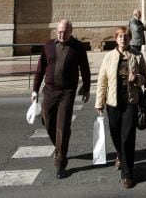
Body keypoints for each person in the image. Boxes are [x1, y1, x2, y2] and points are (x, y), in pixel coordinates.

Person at [32, 18, 91, 179]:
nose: (61, 34)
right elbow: (40, 69)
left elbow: (85, 68)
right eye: (59, 31)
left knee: (62, 127)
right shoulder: (48, 46)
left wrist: (86, 88)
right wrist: (35, 90)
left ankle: (60, 163)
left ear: (71, 31)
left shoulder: (78, 47)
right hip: (49, 90)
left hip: (67, 92)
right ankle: (60, 147)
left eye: (65, 32)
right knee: (47, 121)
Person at [95, 27, 146, 190]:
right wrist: (99, 102)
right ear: (116, 39)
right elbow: (102, 80)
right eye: (120, 36)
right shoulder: (109, 57)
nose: (123, 39)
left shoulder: (137, 55)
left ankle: (127, 174)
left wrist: (137, 78)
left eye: (126, 36)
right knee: (115, 133)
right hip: (113, 102)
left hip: (131, 102)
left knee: (127, 138)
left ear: (130, 38)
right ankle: (120, 153)